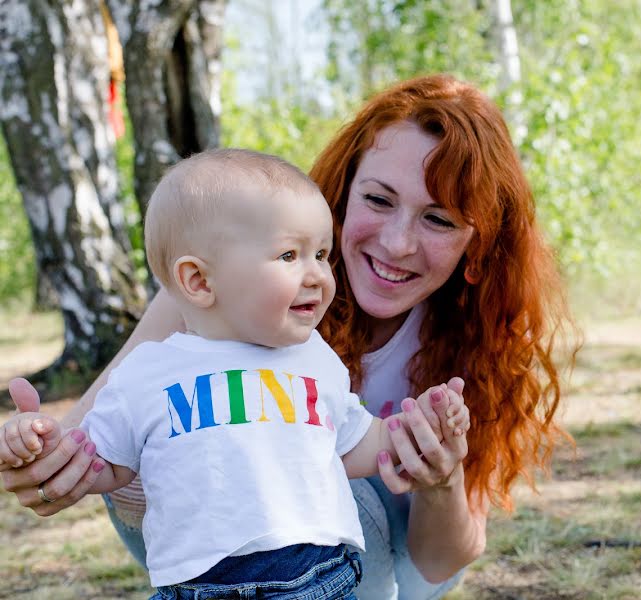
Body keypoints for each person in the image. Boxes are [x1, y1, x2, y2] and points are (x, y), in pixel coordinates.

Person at [0, 74, 576, 599]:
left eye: (439, 219)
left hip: (360, 568)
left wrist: (440, 477)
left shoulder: (479, 341)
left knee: (327, 467)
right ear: (341, 195)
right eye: (378, 200)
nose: (399, 243)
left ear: (477, 243)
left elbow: (440, 560)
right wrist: (44, 460)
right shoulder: (222, 287)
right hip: (209, 567)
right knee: (174, 421)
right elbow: (87, 438)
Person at [1, 148, 469, 599]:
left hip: (316, 580)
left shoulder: (313, 359)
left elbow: (356, 442)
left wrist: (419, 427)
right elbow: (105, 465)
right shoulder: (148, 372)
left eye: (322, 255)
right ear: (200, 281)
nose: (318, 276)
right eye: (290, 256)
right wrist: (43, 445)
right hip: (198, 588)